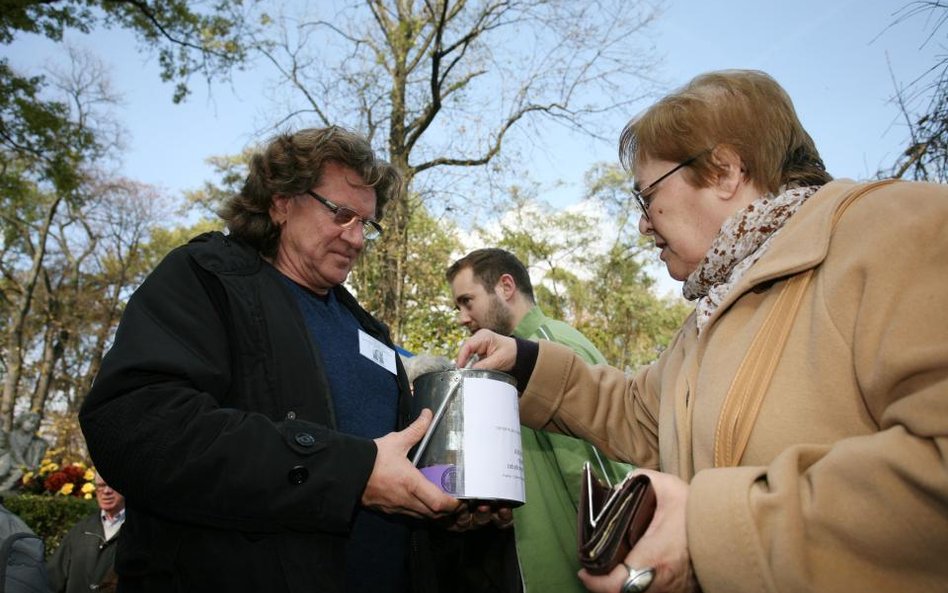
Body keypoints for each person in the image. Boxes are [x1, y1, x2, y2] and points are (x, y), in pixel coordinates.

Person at [458, 69, 948, 593]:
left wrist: (712, 534)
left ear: (724, 172)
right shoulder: (711, 314)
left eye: (647, 197)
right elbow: (636, 412)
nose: (644, 224)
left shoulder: (899, 229)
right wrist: (524, 362)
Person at [78, 126, 460, 593]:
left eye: (367, 224)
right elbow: (133, 427)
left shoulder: (369, 332)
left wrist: (451, 507)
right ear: (281, 201)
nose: (357, 238)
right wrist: (348, 472)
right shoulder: (206, 280)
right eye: (341, 214)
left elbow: (396, 466)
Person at [444, 248, 632, 593]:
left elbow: (602, 475)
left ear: (505, 287)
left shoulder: (550, 344)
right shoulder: (509, 359)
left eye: (467, 301)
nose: (462, 317)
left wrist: (620, 567)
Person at [47, 472, 126, 593]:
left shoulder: (138, 532)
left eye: (112, 485)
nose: (106, 491)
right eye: (101, 486)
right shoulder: (80, 530)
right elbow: (53, 579)